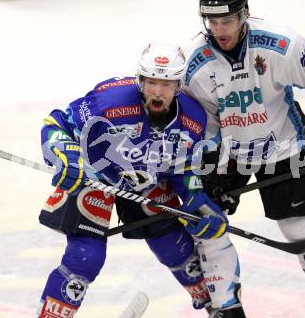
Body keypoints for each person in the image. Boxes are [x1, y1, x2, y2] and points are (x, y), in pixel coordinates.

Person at [36, 43, 245, 318]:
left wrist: (198, 201)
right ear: (140, 80)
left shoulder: (193, 119)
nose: (158, 91)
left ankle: (215, 307)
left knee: (174, 245)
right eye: (151, 82)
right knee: (87, 256)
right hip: (93, 175)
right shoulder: (111, 101)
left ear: (178, 86)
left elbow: (184, 168)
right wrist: (66, 154)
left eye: (166, 84)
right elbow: (57, 123)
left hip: (145, 183)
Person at [183, 0, 305, 317]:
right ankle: (226, 308)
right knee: (207, 223)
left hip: (282, 146)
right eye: (212, 21)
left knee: (300, 228)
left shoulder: (281, 44)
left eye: (227, 20)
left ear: (245, 13)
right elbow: (196, 121)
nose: (220, 29)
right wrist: (206, 164)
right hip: (228, 151)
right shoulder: (193, 61)